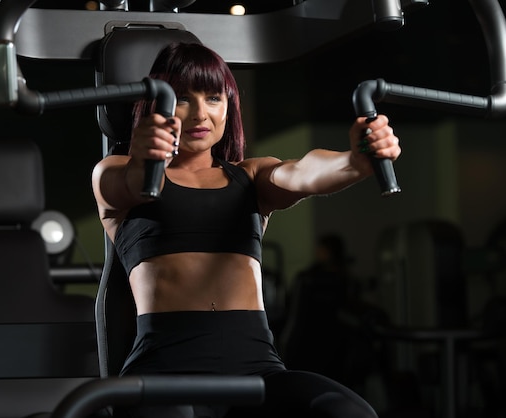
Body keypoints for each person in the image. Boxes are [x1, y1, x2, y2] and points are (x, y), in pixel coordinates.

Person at [91, 42, 401, 418]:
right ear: (160, 108)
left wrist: (356, 160)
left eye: (213, 98)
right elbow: (132, 182)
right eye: (184, 99)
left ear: (228, 107)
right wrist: (146, 158)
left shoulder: (250, 176)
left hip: (256, 372)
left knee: (346, 411)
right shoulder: (113, 171)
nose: (200, 114)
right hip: (163, 373)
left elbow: (304, 173)